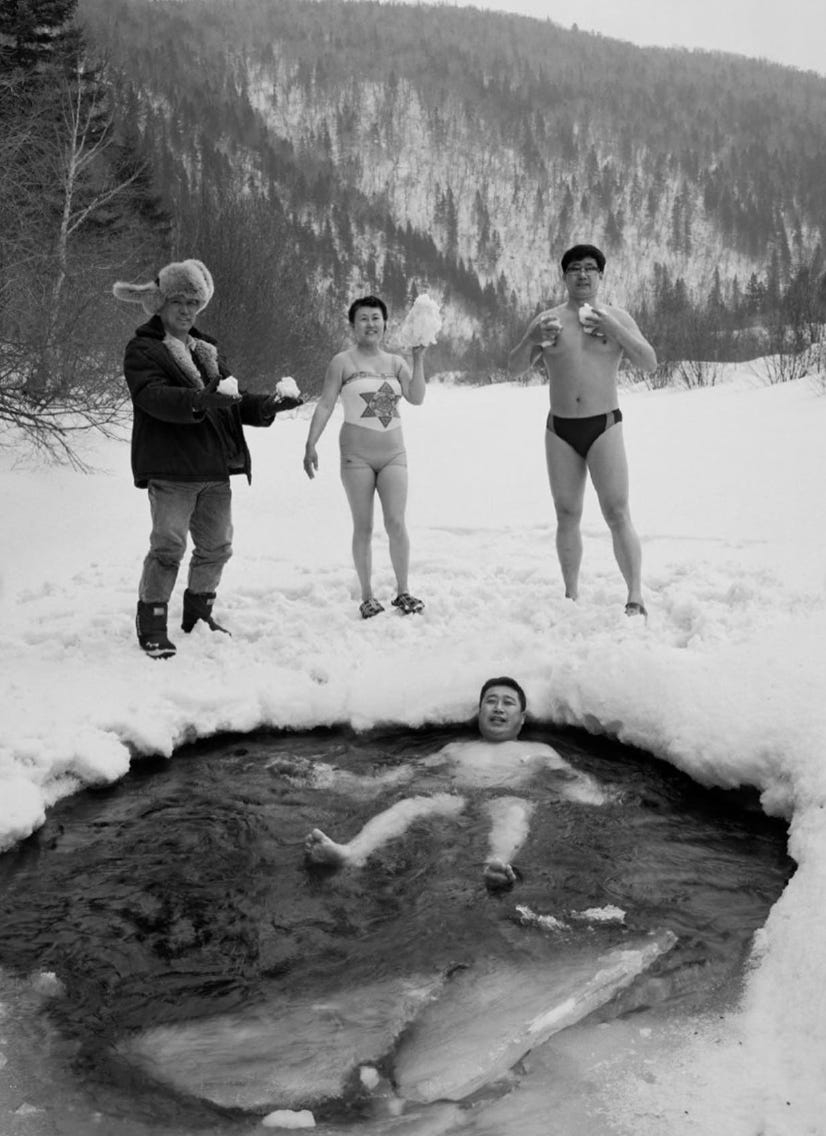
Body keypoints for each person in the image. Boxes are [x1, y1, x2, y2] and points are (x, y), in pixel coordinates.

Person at [113, 258, 302, 660]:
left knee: (217, 547)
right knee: (168, 548)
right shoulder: (143, 349)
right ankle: (152, 624)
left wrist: (268, 405)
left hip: (214, 470)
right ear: (160, 303)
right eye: (178, 302)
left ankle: (199, 616)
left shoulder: (205, 350)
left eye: (193, 303)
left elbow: (232, 400)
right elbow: (152, 397)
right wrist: (200, 399)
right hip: (171, 469)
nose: (186, 311)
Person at [304, 676, 604, 890]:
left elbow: (569, 778)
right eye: (491, 701)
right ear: (480, 711)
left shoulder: (538, 750)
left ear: (522, 717)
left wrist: (591, 794)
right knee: (410, 804)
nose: (498, 708)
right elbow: (411, 771)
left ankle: (497, 865)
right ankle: (352, 852)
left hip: (504, 799)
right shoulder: (456, 748)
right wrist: (368, 782)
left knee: (514, 809)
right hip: (456, 801)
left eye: (508, 703)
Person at [509, 244, 657, 617]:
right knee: (567, 513)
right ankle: (571, 593)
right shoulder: (549, 320)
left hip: (603, 424)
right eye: (575, 268)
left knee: (617, 511)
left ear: (601, 275)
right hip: (560, 428)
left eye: (590, 268)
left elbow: (649, 362)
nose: (583, 274)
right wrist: (530, 339)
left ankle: (635, 595)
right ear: (564, 276)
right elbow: (513, 368)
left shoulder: (617, 317)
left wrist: (614, 329)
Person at [302, 295, 427, 619]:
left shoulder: (396, 363)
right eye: (363, 319)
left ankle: (403, 590)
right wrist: (311, 443)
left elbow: (416, 397)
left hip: (393, 454)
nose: (370, 324)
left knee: (396, 522)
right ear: (353, 325)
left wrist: (418, 358)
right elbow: (326, 404)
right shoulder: (342, 362)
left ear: (385, 323)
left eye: (376, 318)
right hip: (356, 455)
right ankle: (368, 595)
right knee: (364, 525)